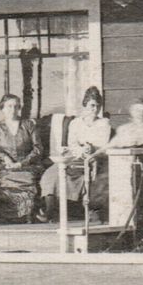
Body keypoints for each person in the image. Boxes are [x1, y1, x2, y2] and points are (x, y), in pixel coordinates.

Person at [39, 85, 113, 219]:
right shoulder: (76, 123)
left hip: (95, 157)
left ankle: (83, 210)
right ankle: (50, 210)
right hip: (75, 155)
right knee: (52, 173)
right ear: (84, 105)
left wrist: (92, 149)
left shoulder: (104, 123)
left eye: (97, 106)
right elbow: (71, 143)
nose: (95, 109)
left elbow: (104, 145)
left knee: (81, 171)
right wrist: (80, 150)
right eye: (91, 105)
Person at [0, 93, 45, 222]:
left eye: (16, 106)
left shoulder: (28, 125)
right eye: (9, 106)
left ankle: (27, 214)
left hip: (28, 166)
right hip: (6, 167)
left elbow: (38, 148)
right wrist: (4, 157)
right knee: (2, 183)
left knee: (28, 180)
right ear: (2, 108)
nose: (13, 110)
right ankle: (7, 216)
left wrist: (23, 163)